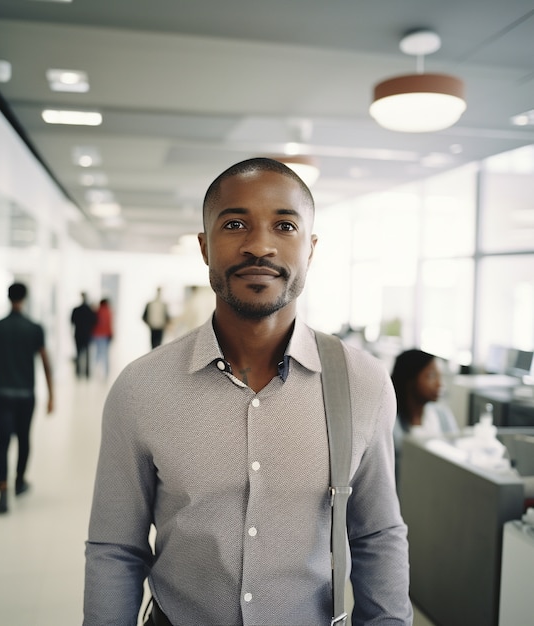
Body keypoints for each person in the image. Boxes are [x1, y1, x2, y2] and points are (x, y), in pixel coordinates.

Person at [84, 158, 413, 625]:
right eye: (235, 224)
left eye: (284, 225)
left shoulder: (362, 383)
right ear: (204, 246)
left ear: (311, 247)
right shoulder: (141, 388)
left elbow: (377, 535)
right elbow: (115, 547)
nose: (260, 246)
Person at [0, 282, 54, 515]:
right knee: (23, 438)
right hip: (25, 395)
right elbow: (45, 362)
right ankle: (19, 482)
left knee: (1, 441)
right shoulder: (34, 328)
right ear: (25, 298)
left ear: (8, 297)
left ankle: (2, 490)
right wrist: (52, 394)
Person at [391, 348, 460, 483]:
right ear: (410, 380)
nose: (440, 384)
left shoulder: (442, 415)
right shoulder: (391, 422)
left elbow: (455, 454)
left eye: (440, 376)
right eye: (431, 376)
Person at [71, 292, 97, 379]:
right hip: (87, 334)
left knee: (78, 353)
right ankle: (87, 373)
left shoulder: (76, 309)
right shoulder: (90, 310)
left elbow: (72, 321)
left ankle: (78, 372)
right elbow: (94, 321)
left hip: (78, 334)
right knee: (87, 354)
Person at [92, 298, 113, 379]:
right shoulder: (109, 311)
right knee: (105, 354)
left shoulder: (97, 311)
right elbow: (110, 324)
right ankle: (106, 373)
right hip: (105, 335)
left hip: (97, 335)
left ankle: (96, 371)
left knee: (98, 354)